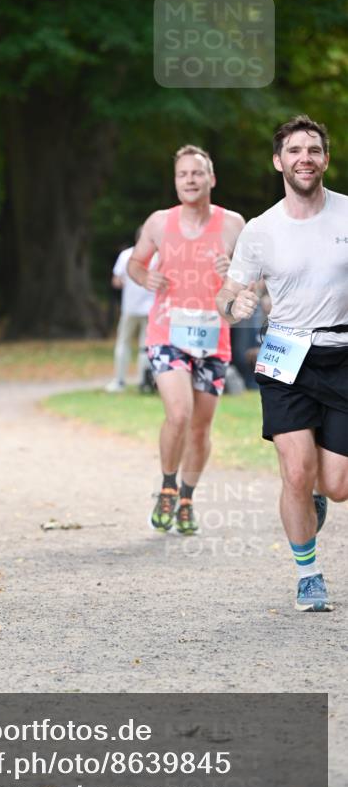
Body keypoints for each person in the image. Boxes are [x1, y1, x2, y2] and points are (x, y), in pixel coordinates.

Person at [217, 115, 348, 613]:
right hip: (285, 357)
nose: (305, 158)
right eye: (295, 150)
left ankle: (315, 495)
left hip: (342, 357)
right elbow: (228, 298)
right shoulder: (260, 230)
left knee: (336, 486)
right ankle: (308, 574)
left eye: (314, 149)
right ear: (279, 161)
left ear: (326, 158)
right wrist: (236, 306)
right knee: (296, 471)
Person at [128, 145, 245, 535]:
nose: (190, 180)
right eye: (183, 175)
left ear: (211, 179)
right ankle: (167, 487)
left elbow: (255, 279)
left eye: (197, 173)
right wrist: (145, 277)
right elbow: (135, 262)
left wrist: (235, 273)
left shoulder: (233, 225)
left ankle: (187, 497)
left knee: (200, 427)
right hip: (168, 332)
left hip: (214, 335)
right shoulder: (160, 222)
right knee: (178, 413)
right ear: (175, 182)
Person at [105, 229, 155, 393]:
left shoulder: (126, 255)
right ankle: (144, 381)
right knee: (145, 347)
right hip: (150, 309)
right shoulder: (157, 257)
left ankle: (119, 380)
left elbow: (116, 281)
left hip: (130, 308)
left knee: (123, 343)